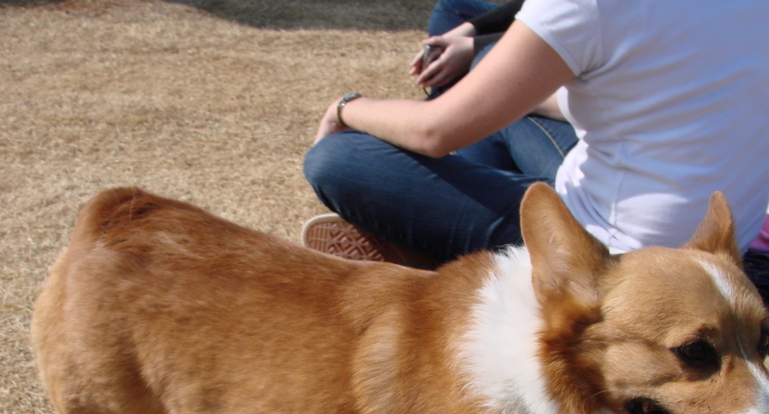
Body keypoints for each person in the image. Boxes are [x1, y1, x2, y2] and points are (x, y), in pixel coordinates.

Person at [302, 0, 769, 276]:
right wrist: (498, 87)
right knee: (495, 89)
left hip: (608, 256)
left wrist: (346, 106)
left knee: (339, 159)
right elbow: (635, 98)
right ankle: (439, 238)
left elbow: (435, 130)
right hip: (720, 245)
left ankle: (443, 258)